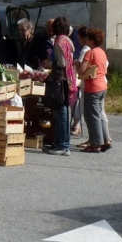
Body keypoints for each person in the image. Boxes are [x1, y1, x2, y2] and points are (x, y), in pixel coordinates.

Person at [44, 16, 77, 156]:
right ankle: (59, 143)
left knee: (61, 112)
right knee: (61, 111)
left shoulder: (59, 41)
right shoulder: (68, 40)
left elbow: (62, 63)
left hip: (61, 80)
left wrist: (49, 64)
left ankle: (63, 145)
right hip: (69, 78)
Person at [76, 28, 112, 152]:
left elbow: (81, 70)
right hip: (103, 86)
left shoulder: (90, 53)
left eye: (88, 38)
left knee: (92, 116)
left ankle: (96, 144)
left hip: (93, 87)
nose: (86, 40)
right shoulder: (101, 52)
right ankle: (105, 139)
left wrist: (76, 63)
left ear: (91, 40)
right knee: (100, 114)